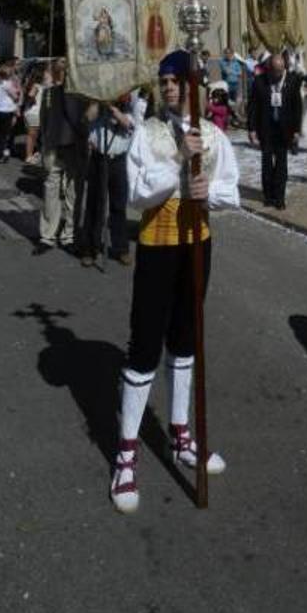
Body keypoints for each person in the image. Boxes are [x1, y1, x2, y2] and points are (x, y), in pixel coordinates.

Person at [111, 52, 240, 514]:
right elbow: (137, 193)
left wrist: (210, 193)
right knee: (145, 343)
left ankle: (181, 432)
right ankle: (127, 451)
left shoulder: (214, 135)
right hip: (158, 245)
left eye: (175, 80)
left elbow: (232, 189)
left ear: (193, 85)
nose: (167, 87)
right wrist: (178, 163)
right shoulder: (147, 134)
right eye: (163, 80)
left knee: (186, 339)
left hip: (197, 245)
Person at [77, 95, 135, 268]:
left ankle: (121, 248)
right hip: (99, 159)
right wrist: (98, 103)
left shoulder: (127, 109)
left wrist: (113, 109)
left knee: (118, 206)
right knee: (95, 204)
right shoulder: (96, 106)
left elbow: (129, 125)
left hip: (118, 160)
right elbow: (87, 119)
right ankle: (89, 248)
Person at [38, 61, 87, 252]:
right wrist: (45, 142)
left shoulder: (80, 94)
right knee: (50, 191)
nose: (62, 74)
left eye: (65, 71)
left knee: (72, 193)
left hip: (74, 147)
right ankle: (47, 235)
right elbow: (43, 119)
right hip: (53, 147)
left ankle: (69, 234)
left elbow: (82, 121)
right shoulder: (49, 93)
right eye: (58, 70)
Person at [247, 52, 303, 209]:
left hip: (284, 129)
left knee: (281, 164)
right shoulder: (260, 81)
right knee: (266, 163)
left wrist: (296, 130)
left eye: (280, 71)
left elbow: (297, 107)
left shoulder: (292, 80)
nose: (278, 74)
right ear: (269, 69)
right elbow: (253, 106)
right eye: (275, 71)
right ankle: (268, 196)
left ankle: (279, 197)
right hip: (266, 128)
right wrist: (251, 129)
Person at [0, 61, 21, 162]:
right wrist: (18, 91)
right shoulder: (7, 84)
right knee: (3, 135)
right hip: (6, 111)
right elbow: (15, 97)